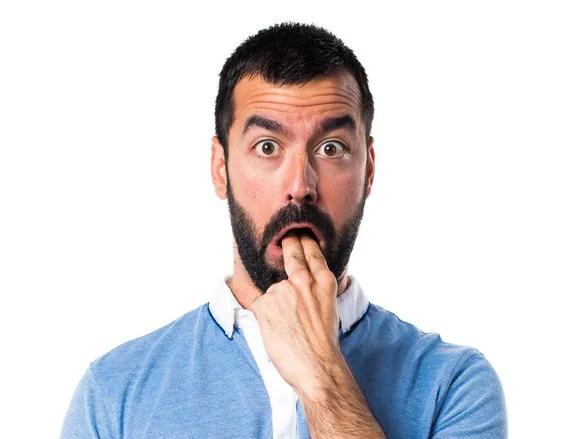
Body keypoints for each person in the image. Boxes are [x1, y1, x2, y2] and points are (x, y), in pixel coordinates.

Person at [61, 22, 507, 439]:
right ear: (221, 169)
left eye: (331, 148)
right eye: (267, 147)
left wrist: (321, 373)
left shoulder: (454, 385)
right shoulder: (114, 394)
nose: (300, 187)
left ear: (368, 172)